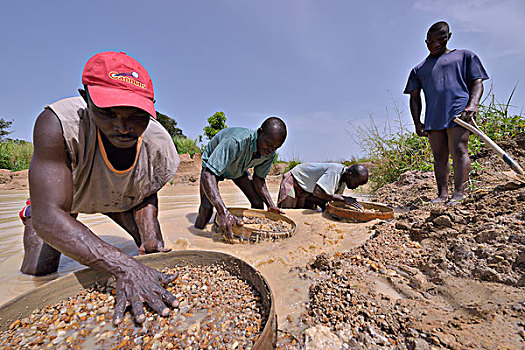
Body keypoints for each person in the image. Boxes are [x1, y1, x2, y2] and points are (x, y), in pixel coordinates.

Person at [19, 51, 181, 325]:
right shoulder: (58, 125)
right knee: (39, 273)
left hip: (120, 197)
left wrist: (149, 235)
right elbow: (48, 219)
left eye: (135, 115)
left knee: (152, 252)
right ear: (86, 98)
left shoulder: (158, 143)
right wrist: (123, 266)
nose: (123, 126)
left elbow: (146, 190)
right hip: (65, 201)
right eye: (109, 112)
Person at [404, 21, 489, 205]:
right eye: (431, 41)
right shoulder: (419, 69)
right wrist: (417, 122)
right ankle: (442, 194)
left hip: (458, 111)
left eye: (440, 40)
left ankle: (459, 193)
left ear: (448, 38)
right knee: (439, 156)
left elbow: (477, 82)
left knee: (459, 149)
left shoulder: (465, 56)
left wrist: (473, 105)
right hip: (434, 116)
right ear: (426, 42)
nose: (435, 44)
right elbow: (414, 97)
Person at [194, 117, 287, 239]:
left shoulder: (270, 153)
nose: (271, 150)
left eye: (276, 147)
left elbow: (259, 179)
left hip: (238, 169)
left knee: (258, 203)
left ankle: (250, 235)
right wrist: (223, 212)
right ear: (260, 133)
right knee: (207, 208)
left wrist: (271, 204)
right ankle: (197, 234)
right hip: (213, 166)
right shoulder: (235, 141)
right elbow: (208, 174)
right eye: (269, 144)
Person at [277, 163, 368, 210]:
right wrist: (343, 199)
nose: (356, 187)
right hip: (294, 180)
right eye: (356, 183)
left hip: (306, 191)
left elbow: (328, 198)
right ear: (349, 175)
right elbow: (318, 192)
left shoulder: (342, 182)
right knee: (287, 213)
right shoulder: (335, 171)